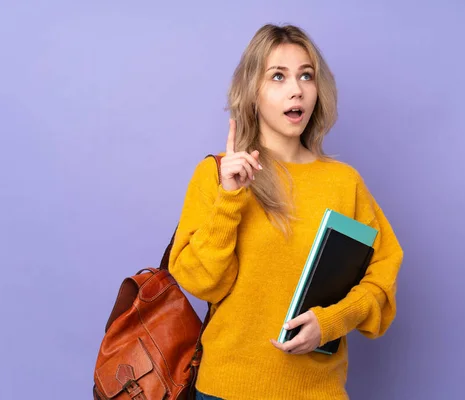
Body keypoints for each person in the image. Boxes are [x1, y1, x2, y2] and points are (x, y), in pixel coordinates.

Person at [168, 23, 404, 400]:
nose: (296, 89)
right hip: (227, 391)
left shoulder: (344, 183)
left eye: (306, 76)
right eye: (278, 76)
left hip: (318, 392)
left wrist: (331, 321)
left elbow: (383, 277)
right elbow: (202, 283)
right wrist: (230, 199)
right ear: (252, 92)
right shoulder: (218, 174)